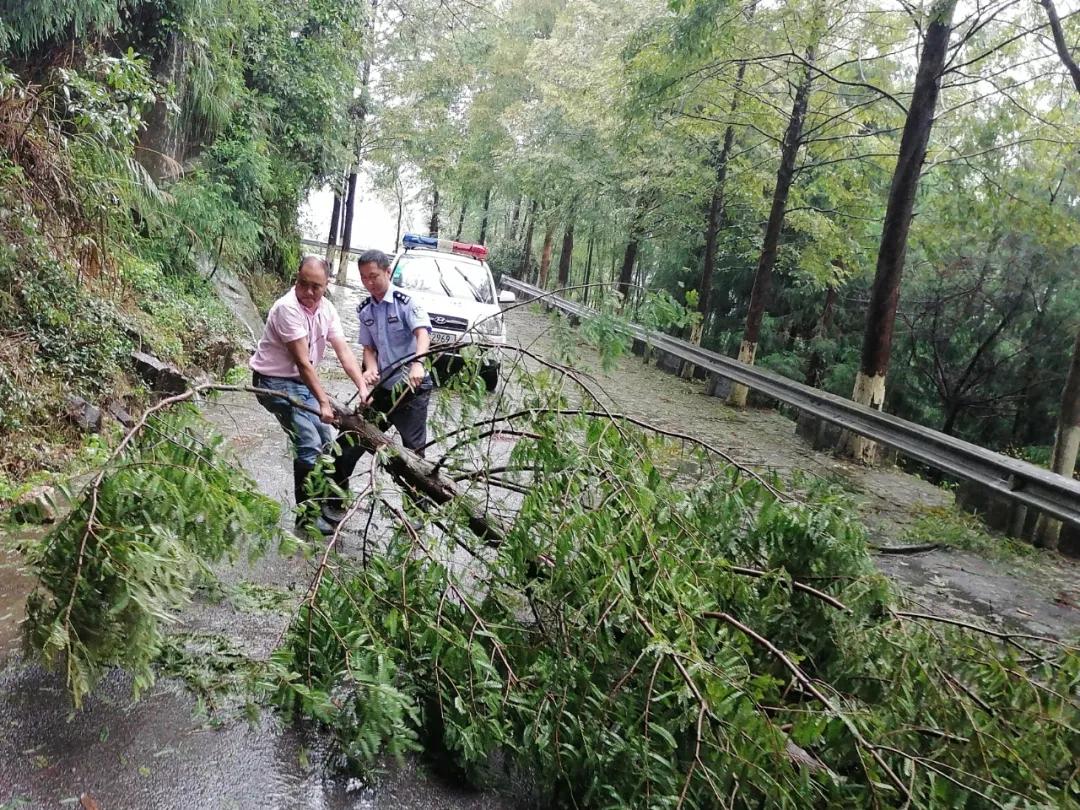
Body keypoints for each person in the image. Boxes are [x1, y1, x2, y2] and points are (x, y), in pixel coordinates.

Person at [249, 255, 369, 533]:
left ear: (327, 285)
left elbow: (343, 351)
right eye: (304, 284)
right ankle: (306, 519)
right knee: (308, 442)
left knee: (328, 443)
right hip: (272, 382)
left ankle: (328, 504)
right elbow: (303, 364)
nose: (309, 292)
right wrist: (324, 403)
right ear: (297, 278)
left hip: (299, 383)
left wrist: (362, 386)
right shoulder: (287, 309)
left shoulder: (327, 309)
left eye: (317, 286)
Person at [356, 249, 434, 457]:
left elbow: (423, 334)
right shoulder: (365, 311)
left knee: (413, 453)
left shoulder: (406, 303)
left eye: (373, 276)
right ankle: (334, 487)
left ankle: (415, 489)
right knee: (354, 440)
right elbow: (369, 348)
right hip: (384, 387)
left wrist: (418, 364)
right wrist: (370, 369)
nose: (368, 283)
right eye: (364, 278)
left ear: (388, 272)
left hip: (412, 388)